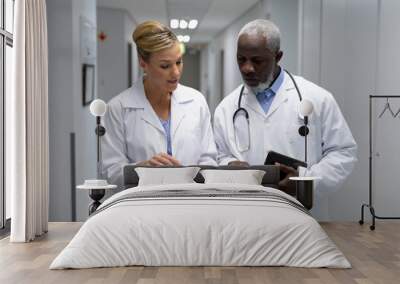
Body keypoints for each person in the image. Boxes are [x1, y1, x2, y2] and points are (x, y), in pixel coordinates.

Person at [213, 19, 357, 194]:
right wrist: (230, 164)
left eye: (257, 61)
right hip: (248, 207)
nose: (247, 68)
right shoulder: (226, 108)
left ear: (278, 56)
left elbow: (343, 153)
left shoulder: (318, 98)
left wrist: (305, 180)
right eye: (241, 59)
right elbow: (219, 156)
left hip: (301, 207)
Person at [102, 20, 217, 185]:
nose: (175, 72)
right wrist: (142, 169)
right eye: (165, 66)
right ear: (143, 63)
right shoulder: (118, 108)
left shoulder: (196, 101)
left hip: (191, 200)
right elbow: (111, 171)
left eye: (179, 62)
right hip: (142, 205)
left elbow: (209, 160)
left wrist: (190, 175)